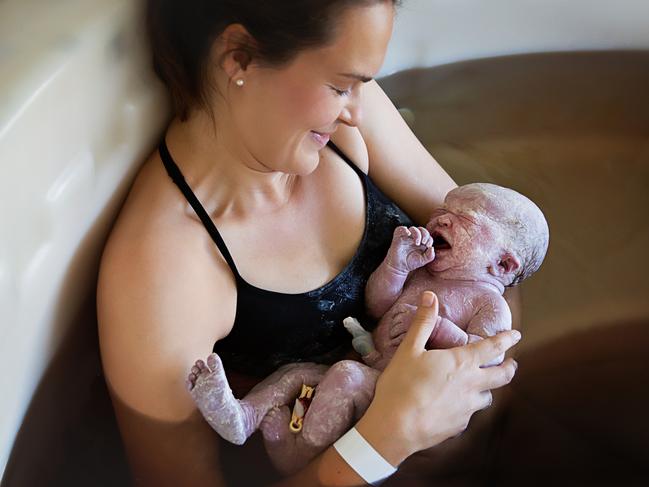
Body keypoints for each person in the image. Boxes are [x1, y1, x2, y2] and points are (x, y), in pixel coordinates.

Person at [96, 1, 521, 485]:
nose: (359, 112)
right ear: (238, 57)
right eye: (341, 86)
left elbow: (500, 258)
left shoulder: (340, 121)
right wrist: (386, 440)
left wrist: (481, 410)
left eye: (363, 82)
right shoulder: (164, 270)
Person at [185, 183, 546, 476]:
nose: (441, 219)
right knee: (300, 373)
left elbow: (484, 355)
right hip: (374, 368)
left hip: (407, 396)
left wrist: (438, 328)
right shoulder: (424, 270)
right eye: (443, 209)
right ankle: (245, 415)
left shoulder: (489, 304)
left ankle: (297, 453)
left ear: (502, 263)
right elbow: (378, 305)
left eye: (462, 218)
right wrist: (397, 264)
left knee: (345, 376)